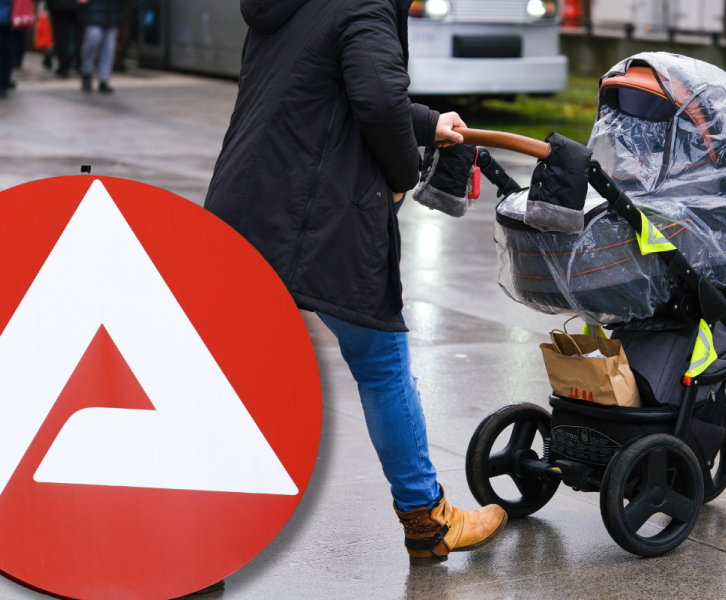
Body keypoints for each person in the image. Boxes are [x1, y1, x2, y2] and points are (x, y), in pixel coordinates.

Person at [205, 0, 507, 565]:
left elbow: (322, 89)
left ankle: (197, 525)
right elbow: (373, 98)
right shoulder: (365, 4)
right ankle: (428, 519)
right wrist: (400, 175)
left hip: (244, 201)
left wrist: (426, 123)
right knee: (381, 362)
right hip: (319, 218)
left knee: (227, 368)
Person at [77, 0, 123, 93]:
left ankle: (103, 79)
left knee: (108, 47)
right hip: (96, 12)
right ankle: (88, 72)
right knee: (94, 41)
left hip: (109, 12)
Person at [47, 0, 80, 77]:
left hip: (59, 6)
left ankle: (64, 64)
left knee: (61, 35)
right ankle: (71, 61)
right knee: (73, 35)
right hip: (74, 6)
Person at [0, 0, 13, 98]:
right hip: (9, 16)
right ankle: (2, 81)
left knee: (3, 51)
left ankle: (2, 81)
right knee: (4, 51)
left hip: (9, 17)